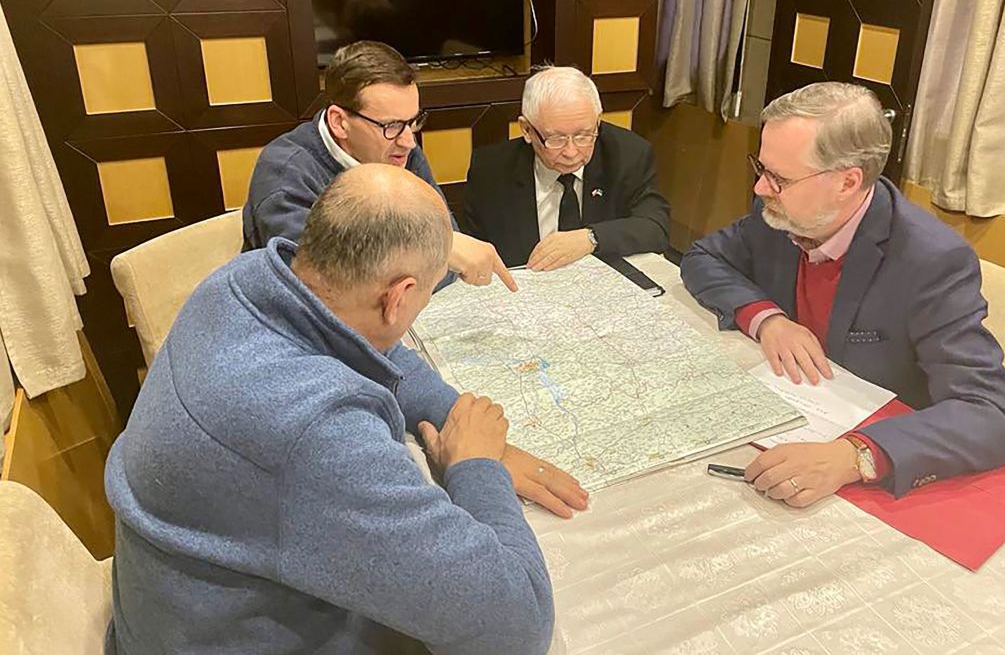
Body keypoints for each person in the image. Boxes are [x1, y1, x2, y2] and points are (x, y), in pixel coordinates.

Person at [104, 164, 572, 655]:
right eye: (428, 293)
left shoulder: (243, 282)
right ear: (399, 298)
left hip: (178, 610)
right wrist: (475, 466)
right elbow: (517, 628)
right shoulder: (318, 435)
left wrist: (455, 413)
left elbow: (366, 344)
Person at [681, 82, 1005, 506]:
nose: (760, 189)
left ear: (847, 182)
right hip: (788, 417)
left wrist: (853, 457)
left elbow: (991, 415)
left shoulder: (932, 261)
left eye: (779, 178)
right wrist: (768, 319)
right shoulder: (781, 211)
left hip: (872, 456)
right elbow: (702, 257)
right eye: (761, 168)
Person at [242, 40, 514, 291]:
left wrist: (437, 256)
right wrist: (434, 253)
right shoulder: (286, 171)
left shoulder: (399, 149)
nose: (409, 141)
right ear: (339, 122)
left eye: (413, 121)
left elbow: (447, 260)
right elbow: (321, 287)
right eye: (392, 125)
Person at [462, 66, 670, 269]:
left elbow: (655, 227)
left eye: (583, 135)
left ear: (597, 122)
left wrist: (590, 238)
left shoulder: (628, 154)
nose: (571, 152)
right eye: (556, 138)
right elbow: (471, 249)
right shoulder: (491, 170)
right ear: (527, 130)